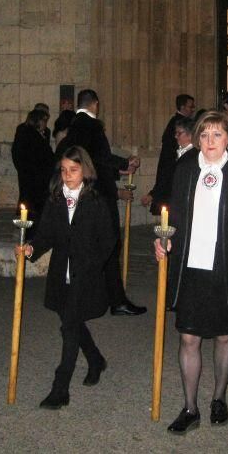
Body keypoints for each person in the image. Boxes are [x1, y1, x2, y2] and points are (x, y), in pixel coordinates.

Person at [154, 110, 228, 434]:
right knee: (189, 337)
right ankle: (190, 407)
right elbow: (171, 214)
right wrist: (163, 239)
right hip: (192, 265)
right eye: (204, 135)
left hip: (227, 265)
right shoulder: (186, 168)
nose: (210, 141)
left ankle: (218, 397)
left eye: (217, 134)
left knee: (225, 334)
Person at [18, 146, 117, 409]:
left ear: (85, 170)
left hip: (86, 274)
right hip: (61, 273)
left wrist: (93, 265)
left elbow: (108, 240)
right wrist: (31, 248)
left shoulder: (95, 201)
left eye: (73, 170)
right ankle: (95, 359)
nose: (67, 175)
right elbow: (46, 234)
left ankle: (60, 388)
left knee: (69, 328)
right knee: (70, 322)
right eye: (63, 170)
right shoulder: (56, 199)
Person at [56, 89, 145, 316]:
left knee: (93, 245)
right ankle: (115, 300)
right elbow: (99, 158)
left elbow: (88, 160)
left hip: (82, 194)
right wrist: (124, 162)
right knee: (109, 245)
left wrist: (119, 166)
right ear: (95, 104)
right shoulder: (92, 125)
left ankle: (102, 297)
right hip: (99, 197)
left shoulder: (73, 126)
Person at [141, 116, 195, 214]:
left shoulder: (193, 156)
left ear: (190, 135)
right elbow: (167, 176)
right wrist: (153, 194)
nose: (175, 136)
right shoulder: (178, 153)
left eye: (179, 133)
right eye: (176, 133)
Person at [11, 109, 54, 231]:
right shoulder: (33, 136)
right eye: (44, 121)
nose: (45, 124)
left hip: (28, 175)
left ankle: (28, 229)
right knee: (33, 206)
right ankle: (32, 231)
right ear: (38, 121)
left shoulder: (26, 132)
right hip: (36, 178)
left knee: (28, 202)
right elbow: (45, 156)